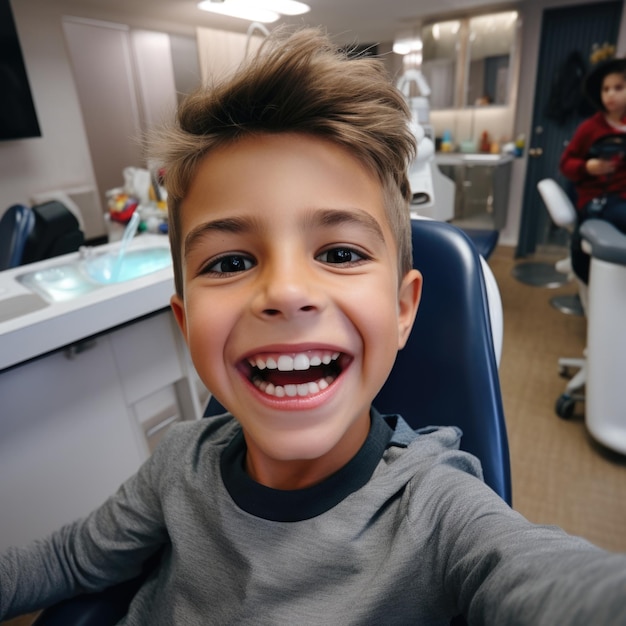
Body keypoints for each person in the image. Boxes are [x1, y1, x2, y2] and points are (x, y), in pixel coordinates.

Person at [2, 27, 626, 626]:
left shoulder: (436, 512)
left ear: (404, 309)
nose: (287, 292)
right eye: (230, 262)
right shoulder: (176, 467)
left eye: (340, 253)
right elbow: (64, 559)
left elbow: (554, 585)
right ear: (185, 323)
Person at [559, 57, 626, 284]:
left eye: (618, 88)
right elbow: (565, 164)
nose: (610, 95)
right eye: (606, 89)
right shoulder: (590, 128)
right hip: (599, 200)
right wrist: (588, 167)